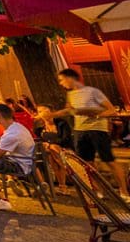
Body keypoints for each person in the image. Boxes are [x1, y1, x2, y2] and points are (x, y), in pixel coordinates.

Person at [47, 68, 128, 199]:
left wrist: (95, 115)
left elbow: (112, 110)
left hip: (97, 130)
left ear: (70, 78)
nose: (61, 83)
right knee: (86, 163)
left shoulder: (93, 92)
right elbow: (69, 110)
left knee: (109, 160)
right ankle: (99, 190)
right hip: (80, 131)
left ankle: (123, 191)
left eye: (61, 80)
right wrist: (51, 114)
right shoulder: (71, 95)